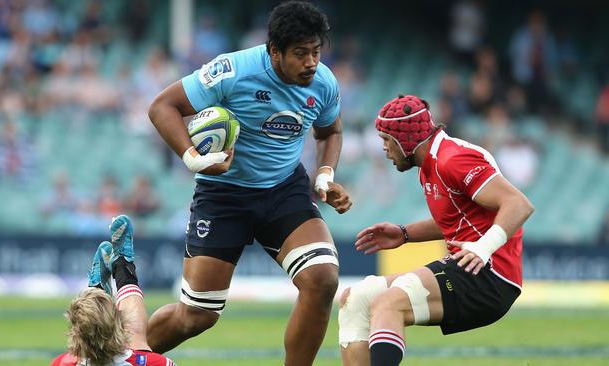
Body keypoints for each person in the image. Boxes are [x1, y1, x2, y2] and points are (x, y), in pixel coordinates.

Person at [146, 2, 352, 365]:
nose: (311, 63)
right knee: (197, 316)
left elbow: (330, 131)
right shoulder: (232, 70)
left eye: (316, 52)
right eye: (300, 53)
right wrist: (195, 159)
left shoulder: (323, 83)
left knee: (322, 279)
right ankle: (113, 355)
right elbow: (163, 106)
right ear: (274, 51)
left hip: (284, 190)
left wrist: (324, 176)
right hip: (224, 195)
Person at [338, 95, 534, 366]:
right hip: (467, 266)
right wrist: (404, 234)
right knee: (355, 299)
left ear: (404, 139)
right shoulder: (429, 165)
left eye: (386, 139)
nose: (383, 148)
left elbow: (519, 204)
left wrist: (483, 248)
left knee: (388, 302)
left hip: (490, 273)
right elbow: (457, 220)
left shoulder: (453, 159)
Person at [52, 215, 176, 366]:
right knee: (136, 341)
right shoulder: (157, 363)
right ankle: (122, 264)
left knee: (99, 326)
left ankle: (98, 294)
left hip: (83, 360)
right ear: (120, 327)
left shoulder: (61, 363)